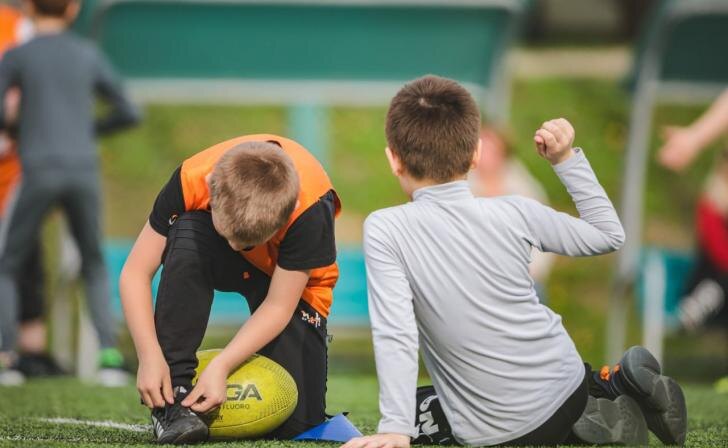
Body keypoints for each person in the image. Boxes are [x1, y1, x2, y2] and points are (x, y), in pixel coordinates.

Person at [344, 75, 687, 447]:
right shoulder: (515, 210)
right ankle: (611, 387)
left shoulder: (385, 228)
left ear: (393, 159)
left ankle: (600, 413)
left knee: (419, 412)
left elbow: (396, 332)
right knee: (544, 378)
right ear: (475, 155)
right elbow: (609, 235)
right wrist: (565, 160)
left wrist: (395, 427)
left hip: (496, 435)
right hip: (566, 384)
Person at [119, 134, 340, 444]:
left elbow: (278, 305)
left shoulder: (312, 210)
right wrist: (149, 354)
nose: (237, 247)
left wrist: (223, 365)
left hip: (285, 277)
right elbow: (134, 274)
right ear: (212, 187)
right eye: (229, 236)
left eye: (247, 242)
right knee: (186, 232)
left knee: (298, 425)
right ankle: (174, 398)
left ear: (287, 215)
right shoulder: (191, 179)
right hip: (211, 248)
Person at [0, 0, 140, 386]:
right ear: (73, 10)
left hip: (37, 170)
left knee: (6, 262)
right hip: (83, 171)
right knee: (92, 262)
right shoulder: (87, 54)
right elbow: (129, 111)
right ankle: (110, 359)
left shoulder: (17, 55)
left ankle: (6, 360)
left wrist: (21, 129)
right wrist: (84, 132)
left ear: (28, 8)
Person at [469, 125, 555, 301]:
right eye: (481, 148)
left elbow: (546, 235)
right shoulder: (462, 188)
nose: (485, 154)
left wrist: (529, 273)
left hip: (522, 279)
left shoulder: (524, 190)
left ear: (503, 154)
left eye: (491, 149)